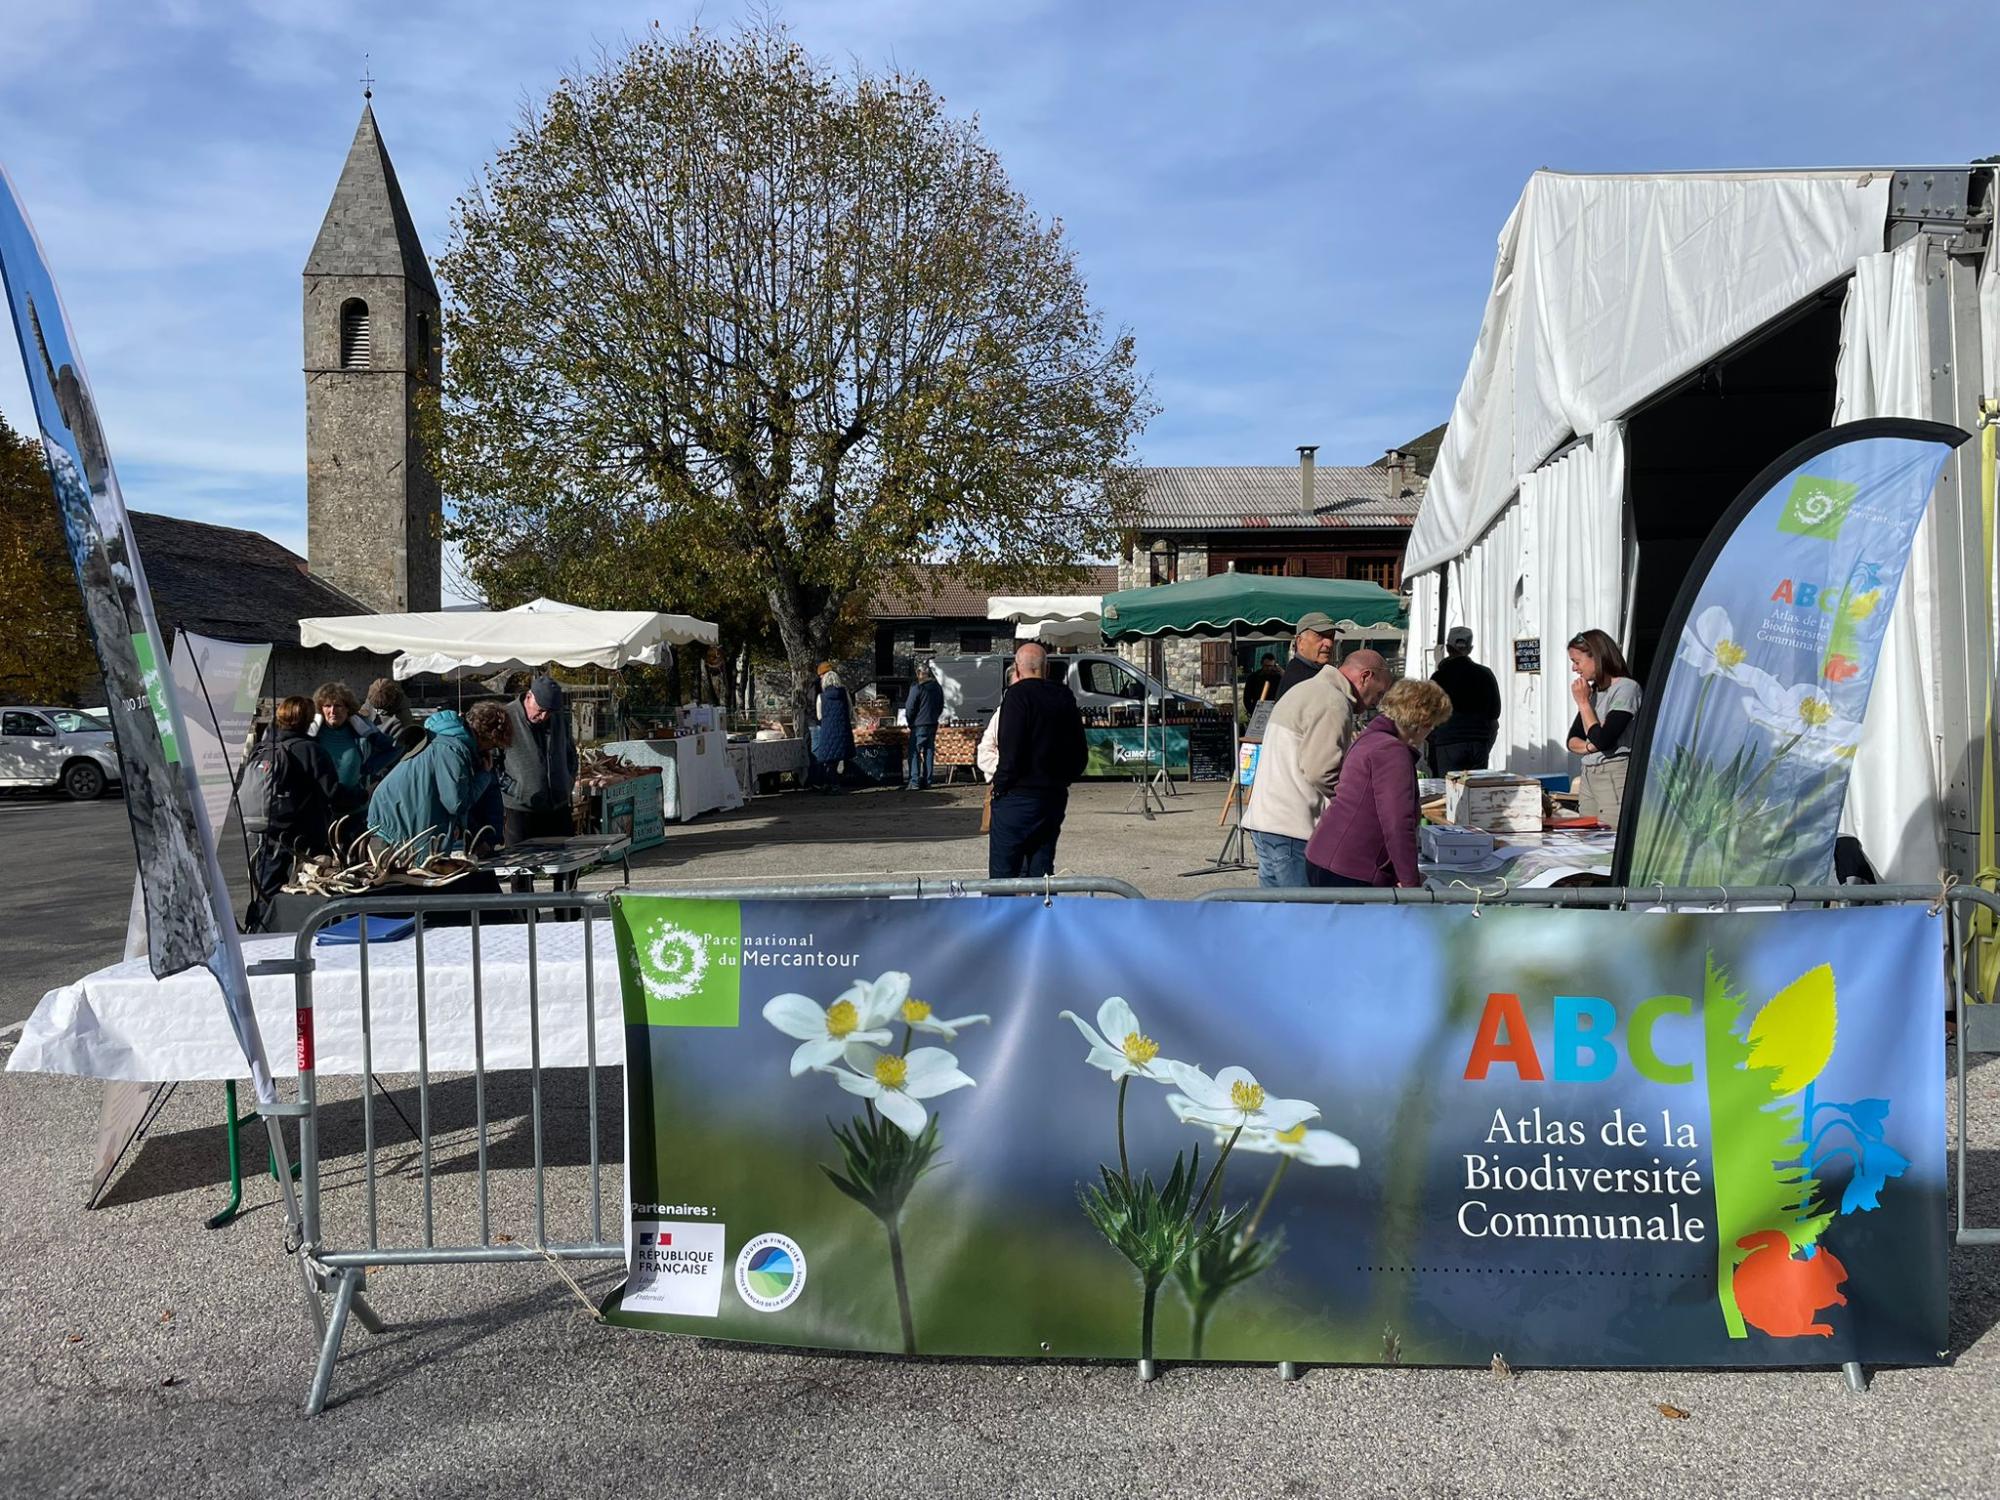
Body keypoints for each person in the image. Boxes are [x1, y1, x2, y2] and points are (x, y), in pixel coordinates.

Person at [1241, 647, 1390, 887]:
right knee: (1305, 918)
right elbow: (1322, 771)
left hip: (1266, 822)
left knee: (1273, 917)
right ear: (1366, 676)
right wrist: (1360, 804)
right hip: (1292, 828)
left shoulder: (1304, 690)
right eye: (1380, 693)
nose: (1377, 702)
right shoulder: (1332, 701)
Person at [1305, 679, 1454, 888]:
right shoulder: (1391, 751)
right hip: (1352, 867)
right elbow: (1397, 822)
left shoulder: (1371, 738)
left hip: (1328, 854)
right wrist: (1410, 882)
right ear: (1425, 723)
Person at [988, 641, 1088, 878]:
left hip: (1018, 795)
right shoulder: (1064, 696)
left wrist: (999, 787)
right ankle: (1040, 912)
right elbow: (1080, 754)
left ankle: (1006, 914)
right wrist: (1063, 780)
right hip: (1052, 796)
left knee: (1004, 875)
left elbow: (1011, 752)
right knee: (1041, 874)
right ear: (1047, 669)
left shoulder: (1016, 696)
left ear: (1017, 668)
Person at [367, 700, 512, 858]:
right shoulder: (453, 751)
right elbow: (456, 804)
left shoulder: (444, 739)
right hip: (398, 823)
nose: (489, 752)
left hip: (392, 814)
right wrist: (484, 775)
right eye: (492, 746)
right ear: (487, 737)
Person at [246, 695, 341, 929]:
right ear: (308, 720)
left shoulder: (263, 747)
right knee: (311, 886)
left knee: (266, 887)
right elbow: (333, 792)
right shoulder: (310, 750)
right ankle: (308, 933)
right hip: (305, 834)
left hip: (268, 828)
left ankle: (260, 931)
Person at [1566, 628, 1642, 826]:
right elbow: (1572, 740)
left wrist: (1583, 703)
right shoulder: (1594, 692)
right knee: (1586, 833)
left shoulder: (1626, 688)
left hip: (1613, 772)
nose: (1575, 669)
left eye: (1577, 661)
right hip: (1589, 771)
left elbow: (1604, 739)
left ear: (1596, 657)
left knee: (1610, 834)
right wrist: (1591, 747)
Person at [501, 674, 579, 844]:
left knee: (567, 866)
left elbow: (571, 753)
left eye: (549, 712)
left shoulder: (558, 718)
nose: (544, 716)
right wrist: (516, 789)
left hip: (558, 805)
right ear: (529, 697)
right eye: (541, 710)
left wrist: (568, 780)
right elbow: (492, 763)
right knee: (521, 866)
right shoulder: (505, 718)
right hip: (520, 809)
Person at [312, 679, 401, 817]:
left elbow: (395, 748)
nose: (332, 711)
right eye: (327, 706)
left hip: (353, 808)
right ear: (320, 709)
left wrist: (368, 768)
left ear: (348, 708)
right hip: (320, 809)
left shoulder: (361, 727)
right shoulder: (313, 732)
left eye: (338, 706)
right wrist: (308, 734)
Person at [1428, 627, 1502, 774]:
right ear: (1470, 649)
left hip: (1447, 742)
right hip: (1478, 743)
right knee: (1475, 791)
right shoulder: (1485, 674)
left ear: (1448, 648)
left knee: (1448, 790)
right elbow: (1495, 712)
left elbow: (1429, 713)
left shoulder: (1439, 677)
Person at [807, 665, 854, 793]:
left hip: (827, 730)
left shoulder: (821, 697)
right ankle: (837, 782)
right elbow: (850, 711)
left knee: (829, 759)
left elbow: (819, 716)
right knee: (841, 757)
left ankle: (831, 783)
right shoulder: (844, 693)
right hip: (843, 729)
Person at [1273, 613, 1341, 701]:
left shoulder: (1311, 672)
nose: (1329, 643)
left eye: (1331, 636)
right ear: (1300, 641)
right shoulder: (1301, 679)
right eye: (1319, 636)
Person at [904, 660, 944, 791]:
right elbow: (940, 705)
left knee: (914, 752)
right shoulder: (937, 687)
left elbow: (910, 707)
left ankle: (914, 781)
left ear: (919, 673)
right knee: (929, 752)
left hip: (919, 724)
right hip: (932, 723)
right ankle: (928, 780)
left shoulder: (917, 688)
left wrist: (910, 721)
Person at [365, 677, 427, 756]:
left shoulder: (402, 719)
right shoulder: (373, 697)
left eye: (381, 709)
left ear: (392, 701)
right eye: (375, 708)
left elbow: (396, 752)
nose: (377, 711)